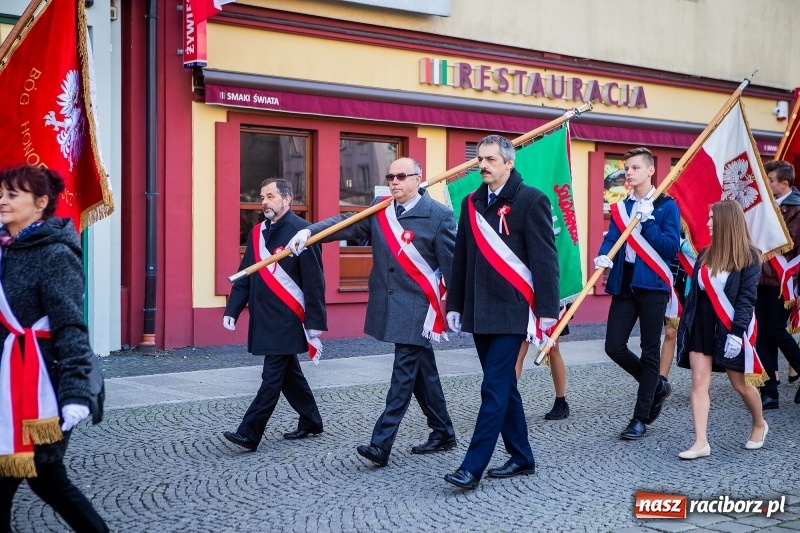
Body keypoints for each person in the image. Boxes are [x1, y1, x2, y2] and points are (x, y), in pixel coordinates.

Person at [287, 157, 457, 467]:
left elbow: (452, 265)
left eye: (401, 176)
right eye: (390, 176)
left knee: (403, 376)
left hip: (418, 308)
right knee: (423, 373)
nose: (394, 181)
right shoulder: (381, 207)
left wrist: (456, 307)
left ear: (418, 178)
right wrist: (309, 234)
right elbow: (345, 224)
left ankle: (381, 445)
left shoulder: (439, 215)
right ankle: (443, 431)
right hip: (390, 302)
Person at [444, 135, 559, 490]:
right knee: (505, 387)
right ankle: (522, 456)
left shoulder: (531, 200)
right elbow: (461, 256)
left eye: (491, 160)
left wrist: (547, 312)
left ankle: (472, 467)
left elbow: (545, 261)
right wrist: (455, 305)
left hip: (513, 310)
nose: (483, 165)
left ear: (509, 163)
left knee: (492, 386)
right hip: (480, 311)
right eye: (480, 159)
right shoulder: (471, 202)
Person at [0, 165, 108, 532]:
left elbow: (71, 328)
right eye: (1, 193)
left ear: (41, 202)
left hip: (41, 387)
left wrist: (77, 394)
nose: (2, 200)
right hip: (7, 385)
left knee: (47, 478)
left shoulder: (55, 254)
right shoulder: (4, 248)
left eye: (13, 195)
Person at [222, 178, 326, 451]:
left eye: (270, 196)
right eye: (262, 196)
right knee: (290, 375)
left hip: (287, 319)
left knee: (271, 378)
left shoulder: (303, 232)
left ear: (287, 199)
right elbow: (247, 272)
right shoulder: (257, 232)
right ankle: (311, 421)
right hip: (263, 316)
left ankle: (249, 433)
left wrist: (315, 322)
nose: (264, 202)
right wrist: (233, 308)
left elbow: (315, 282)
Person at [594, 147, 680, 440]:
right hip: (625, 282)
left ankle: (640, 417)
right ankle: (655, 384)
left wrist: (649, 221)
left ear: (650, 171)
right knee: (613, 346)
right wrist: (603, 255)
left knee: (649, 349)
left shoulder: (666, 206)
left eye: (633, 168)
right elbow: (611, 239)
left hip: (652, 286)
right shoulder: (621, 206)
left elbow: (670, 249)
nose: (628, 172)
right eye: (626, 168)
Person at [676, 200, 767, 458]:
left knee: (739, 384)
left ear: (727, 221)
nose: (707, 223)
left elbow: (746, 299)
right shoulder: (705, 254)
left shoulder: (750, 256)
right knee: (698, 381)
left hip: (731, 326)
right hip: (703, 324)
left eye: (712, 218)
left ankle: (759, 423)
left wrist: (738, 334)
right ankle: (701, 442)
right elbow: (695, 294)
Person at [755, 160, 800, 408]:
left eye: (770, 180)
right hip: (759, 277)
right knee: (762, 335)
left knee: (775, 330)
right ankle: (769, 391)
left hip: (782, 280)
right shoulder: (765, 205)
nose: (767, 183)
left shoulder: (797, 209)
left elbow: (788, 241)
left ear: (784, 184)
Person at [515, 315, 569, 420]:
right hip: (525, 304)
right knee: (518, 353)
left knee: (553, 349)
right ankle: (504, 400)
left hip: (548, 305)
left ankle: (561, 401)